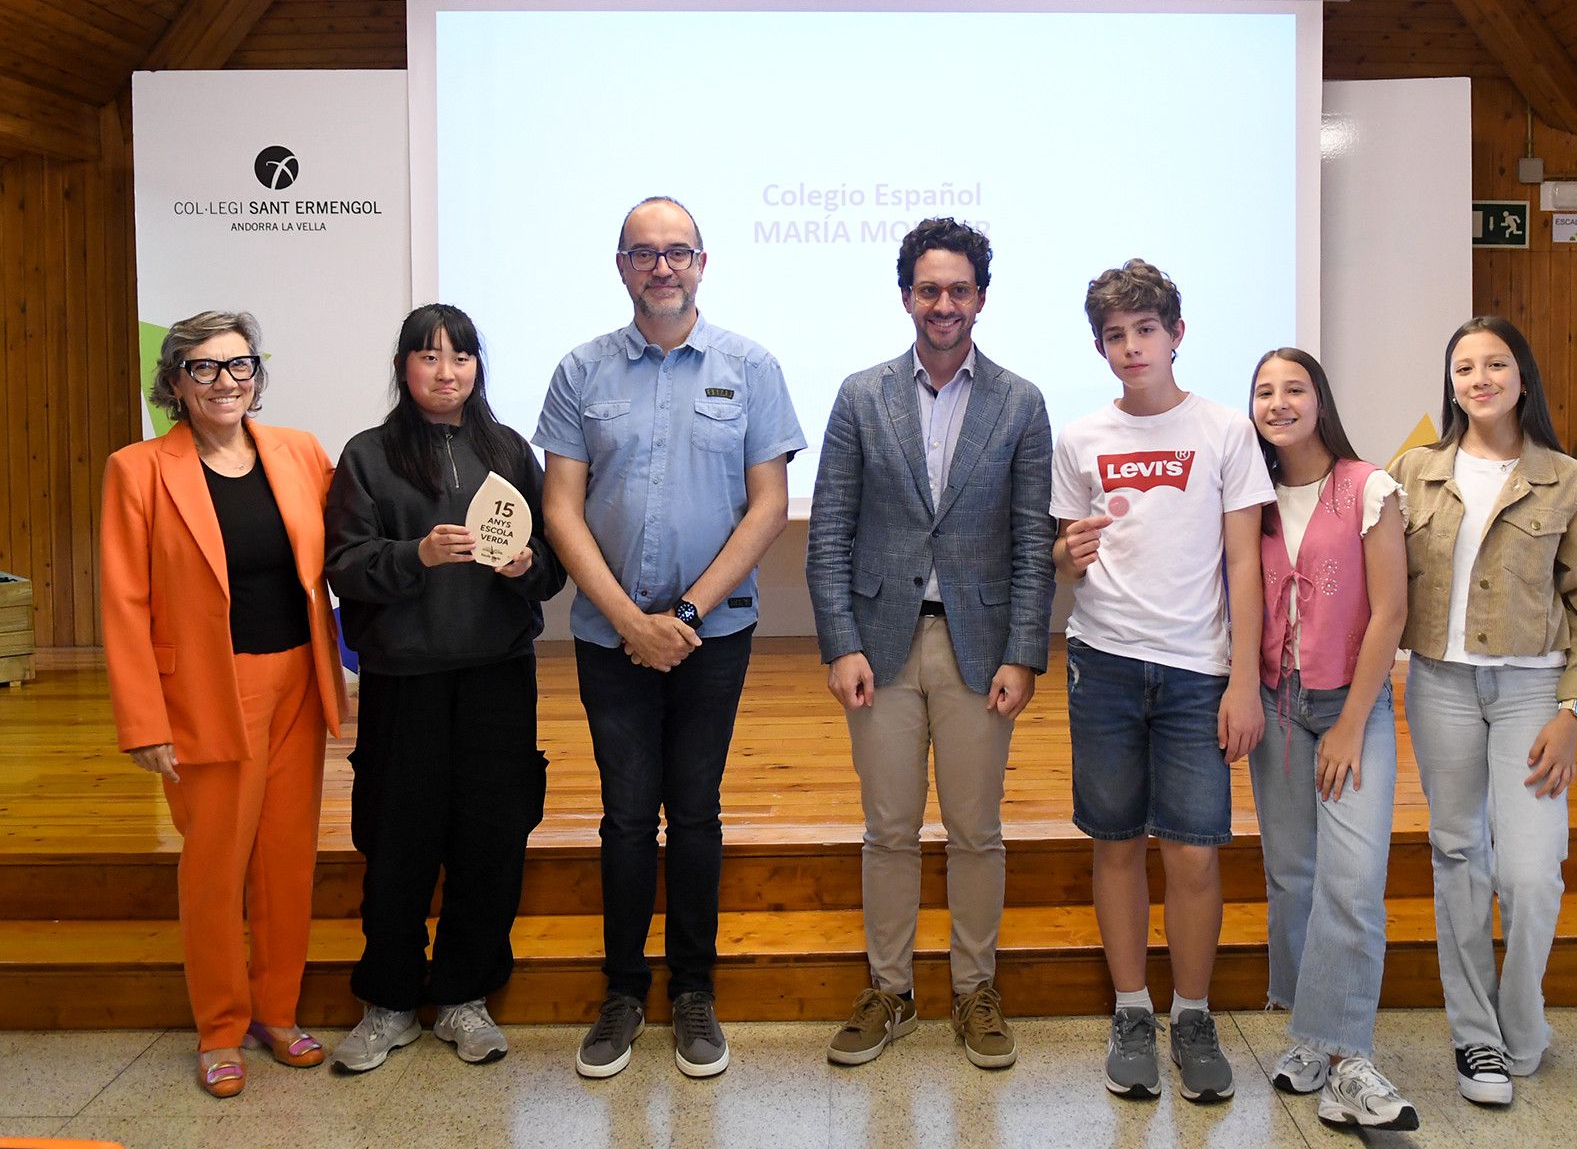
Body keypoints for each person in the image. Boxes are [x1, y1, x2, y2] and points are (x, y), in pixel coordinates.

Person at [536, 195, 805, 1081]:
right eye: (644, 253)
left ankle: (693, 989)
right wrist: (627, 620)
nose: (662, 267)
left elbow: (768, 504)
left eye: (677, 252)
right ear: (621, 265)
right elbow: (561, 508)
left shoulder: (750, 366)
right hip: (608, 636)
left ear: (702, 262)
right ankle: (621, 990)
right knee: (623, 814)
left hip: (712, 636)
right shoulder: (580, 371)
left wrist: (683, 617)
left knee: (693, 811)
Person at [806, 218, 1056, 1071]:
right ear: (906, 293)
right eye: (928, 288)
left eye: (958, 289)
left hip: (981, 647)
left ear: (980, 297)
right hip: (880, 645)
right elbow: (829, 530)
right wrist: (839, 642)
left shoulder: (1020, 401)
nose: (942, 303)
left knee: (978, 829)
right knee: (888, 828)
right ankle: (891, 990)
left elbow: (1031, 537)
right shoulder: (860, 393)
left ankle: (975, 989)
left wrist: (1025, 651)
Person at [99, 310, 348, 1097]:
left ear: (257, 375)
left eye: (238, 365)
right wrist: (143, 720)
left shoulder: (300, 452)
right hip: (204, 694)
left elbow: (355, 542)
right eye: (203, 368)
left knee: (285, 862)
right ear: (174, 382)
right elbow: (123, 601)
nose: (225, 381)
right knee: (214, 868)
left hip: (297, 685)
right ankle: (219, 1026)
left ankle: (278, 1010)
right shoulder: (136, 469)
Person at [1049, 260, 1273, 1104]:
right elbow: (1069, 556)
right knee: (1114, 843)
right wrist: (1063, 558)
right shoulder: (1079, 439)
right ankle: (1132, 1011)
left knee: (1191, 851)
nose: (1132, 346)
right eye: (1115, 334)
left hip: (1195, 671)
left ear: (1176, 334)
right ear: (1101, 345)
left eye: (1146, 329)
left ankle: (1194, 1013)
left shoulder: (1222, 430)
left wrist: (1241, 679)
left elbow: (1246, 560)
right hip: (1102, 661)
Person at [323, 304, 567, 1073]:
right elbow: (345, 564)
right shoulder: (367, 456)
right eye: (429, 357)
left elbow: (554, 563)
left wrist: (529, 567)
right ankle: (389, 1001)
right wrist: (414, 554)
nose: (446, 370)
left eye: (460, 356)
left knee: (491, 839)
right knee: (397, 842)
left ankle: (465, 995)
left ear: (476, 367)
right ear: (404, 367)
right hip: (404, 682)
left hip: (497, 675)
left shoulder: (509, 451)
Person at [1387, 315, 1577, 1109]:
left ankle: (1522, 1018)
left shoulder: (1567, 478)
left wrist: (1575, 710)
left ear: (1523, 376)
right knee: (1459, 857)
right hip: (1441, 686)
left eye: (1494, 364)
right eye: (1463, 367)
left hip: (1533, 693)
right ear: (1450, 383)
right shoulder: (1414, 470)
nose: (1478, 378)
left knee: (1530, 872)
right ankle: (1475, 1036)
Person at [1245, 348, 1417, 1132]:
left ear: (1321, 400)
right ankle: (1309, 1032)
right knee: (1292, 875)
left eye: (1294, 389)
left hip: (1352, 706)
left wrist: (1351, 721)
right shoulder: (1249, 494)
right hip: (1276, 706)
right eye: (1264, 391)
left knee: (1353, 878)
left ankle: (1349, 1059)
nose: (1278, 403)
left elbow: (1390, 611)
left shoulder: (1368, 485)